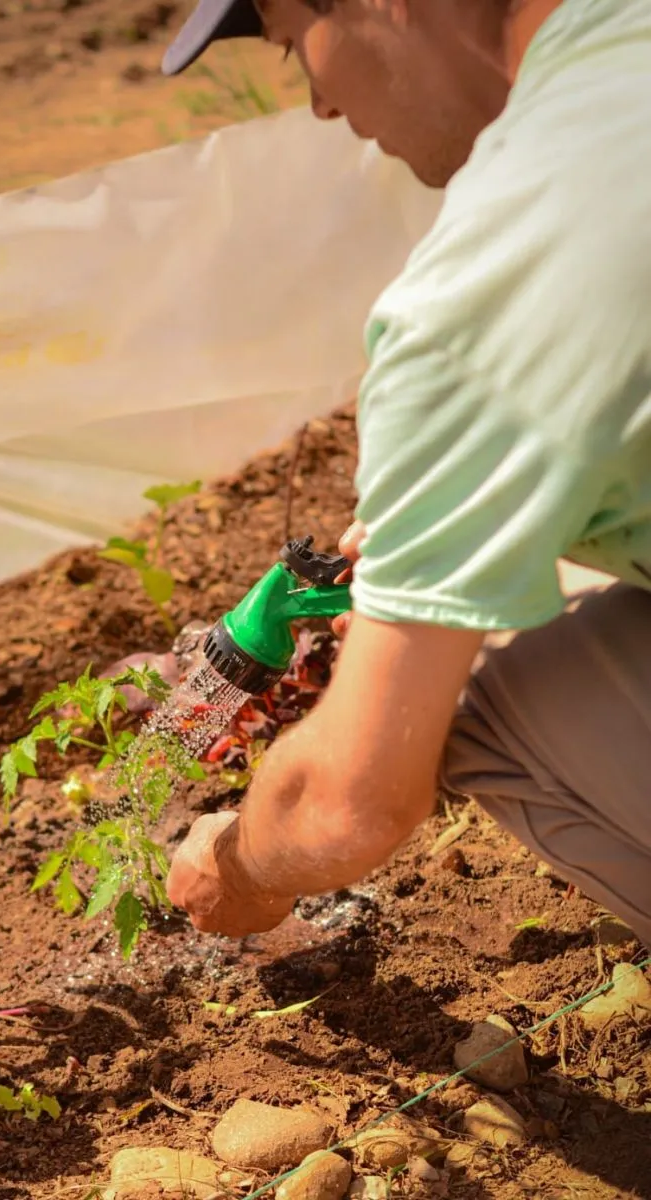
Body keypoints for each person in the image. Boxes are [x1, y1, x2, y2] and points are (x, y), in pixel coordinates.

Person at [160, 0, 651, 947]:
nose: (317, 104)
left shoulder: (481, 290)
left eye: (294, 44)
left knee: (464, 685)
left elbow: (350, 806)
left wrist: (243, 866)